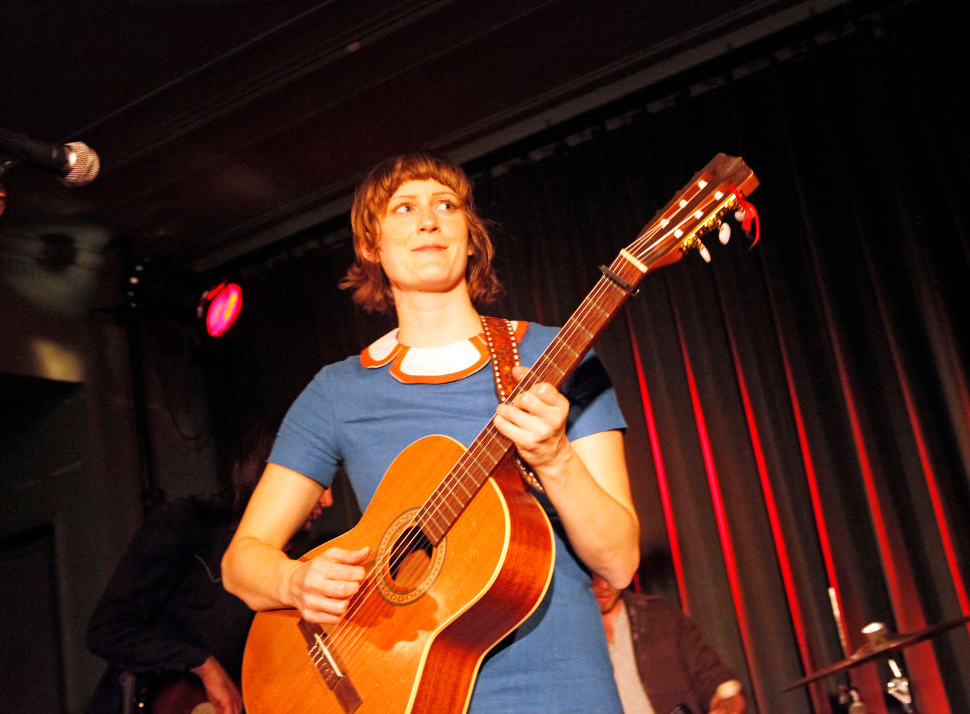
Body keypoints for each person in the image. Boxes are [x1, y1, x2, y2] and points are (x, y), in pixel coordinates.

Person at [221, 150, 640, 711]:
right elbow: (241, 563)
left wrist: (555, 458)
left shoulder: (556, 358)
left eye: (447, 204)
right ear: (370, 245)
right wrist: (294, 584)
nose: (428, 220)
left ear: (470, 236)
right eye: (403, 208)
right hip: (396, 690)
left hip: (560, 688)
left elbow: (620, 561)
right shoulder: (336, 392)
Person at [85, 415, 333, 714]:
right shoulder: (187, 522)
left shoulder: (311, 557)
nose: (329, 498)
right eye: (318, 479)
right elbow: (108, 628)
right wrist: (202, 663)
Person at [591, 574, 746, 714]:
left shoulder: (661, 616)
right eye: (594, 575)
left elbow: (716, 680)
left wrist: (725, 707)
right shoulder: (568, 635)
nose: (605, 585)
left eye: (607, 572)